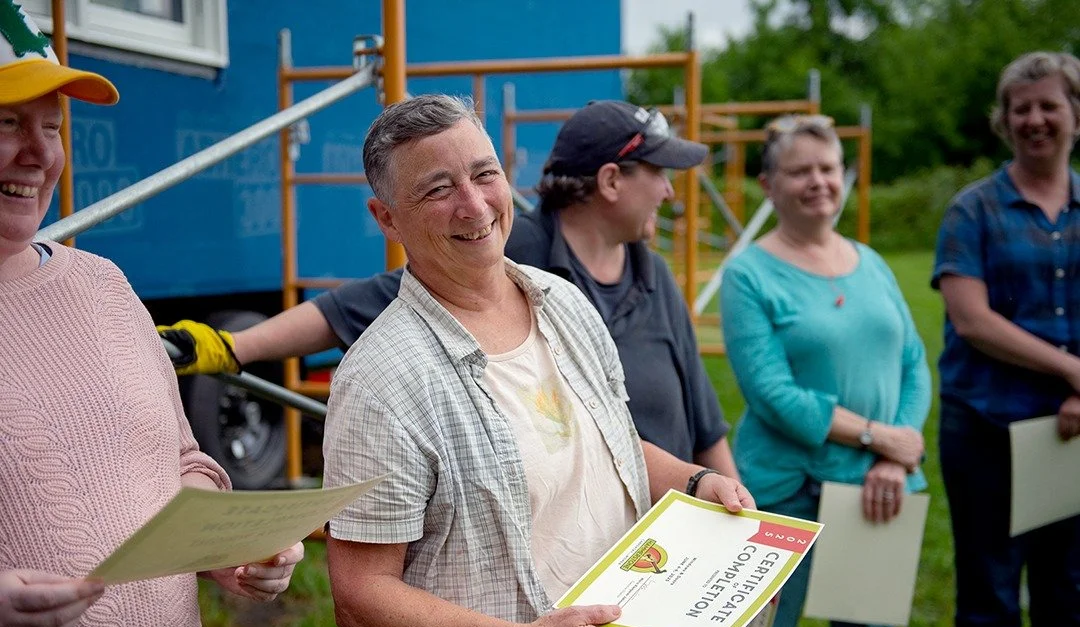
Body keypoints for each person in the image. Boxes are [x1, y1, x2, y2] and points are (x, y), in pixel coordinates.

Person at [320, 93, 755, 627]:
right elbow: (361, 597)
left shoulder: (563, 303)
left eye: (484, 174)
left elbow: (608, 446)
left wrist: (695, 481)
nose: (473, 206)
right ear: (386, 218)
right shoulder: (381, 381)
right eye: (437, 189)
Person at [159, 100, 737, 479]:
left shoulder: (651, 272)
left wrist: (733, 508)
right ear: (611, 181)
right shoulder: (503, 255)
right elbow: (351, 308)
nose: (668, 193)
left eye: (486, 175)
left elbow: (703, 415)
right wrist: (231, 348)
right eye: (660, 174)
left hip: (664, 511)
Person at [0, 6, 303, 627]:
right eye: (7, 123)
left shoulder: (104, 283)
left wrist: (229, 544)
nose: (38, 154)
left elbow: (182, 461)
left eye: (52, 128)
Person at [714, 115, 931, 627]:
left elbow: (915, 363)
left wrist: (893, 453)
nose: (818, 181)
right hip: (786, 494)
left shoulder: (871, 261)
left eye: (828, 168)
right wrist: (877, 435)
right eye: (800, 170)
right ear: (769, 184)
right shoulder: (748, 275)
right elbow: (771, 393)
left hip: (876, 491)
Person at [932, 51, 1080, 627]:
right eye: (1020, 107)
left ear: (1075, 112)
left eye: (1048, 104)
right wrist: (1071, 369)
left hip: (1070, 436)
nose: (1034, 119)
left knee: (1070, 596)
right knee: (989, 600)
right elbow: (972, 319)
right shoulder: (974, 210)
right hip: (988, 434)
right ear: (1004, 119)